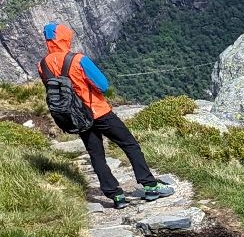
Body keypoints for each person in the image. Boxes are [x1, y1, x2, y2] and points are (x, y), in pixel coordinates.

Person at [39, 23, 175, 208]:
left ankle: (116, 196)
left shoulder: (42, 65)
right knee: (129, 144)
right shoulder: (78, 60)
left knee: (96, 155)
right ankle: (149, 185)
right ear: (64, 37)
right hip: (99, 111)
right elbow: (103, 85)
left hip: (77, 117)